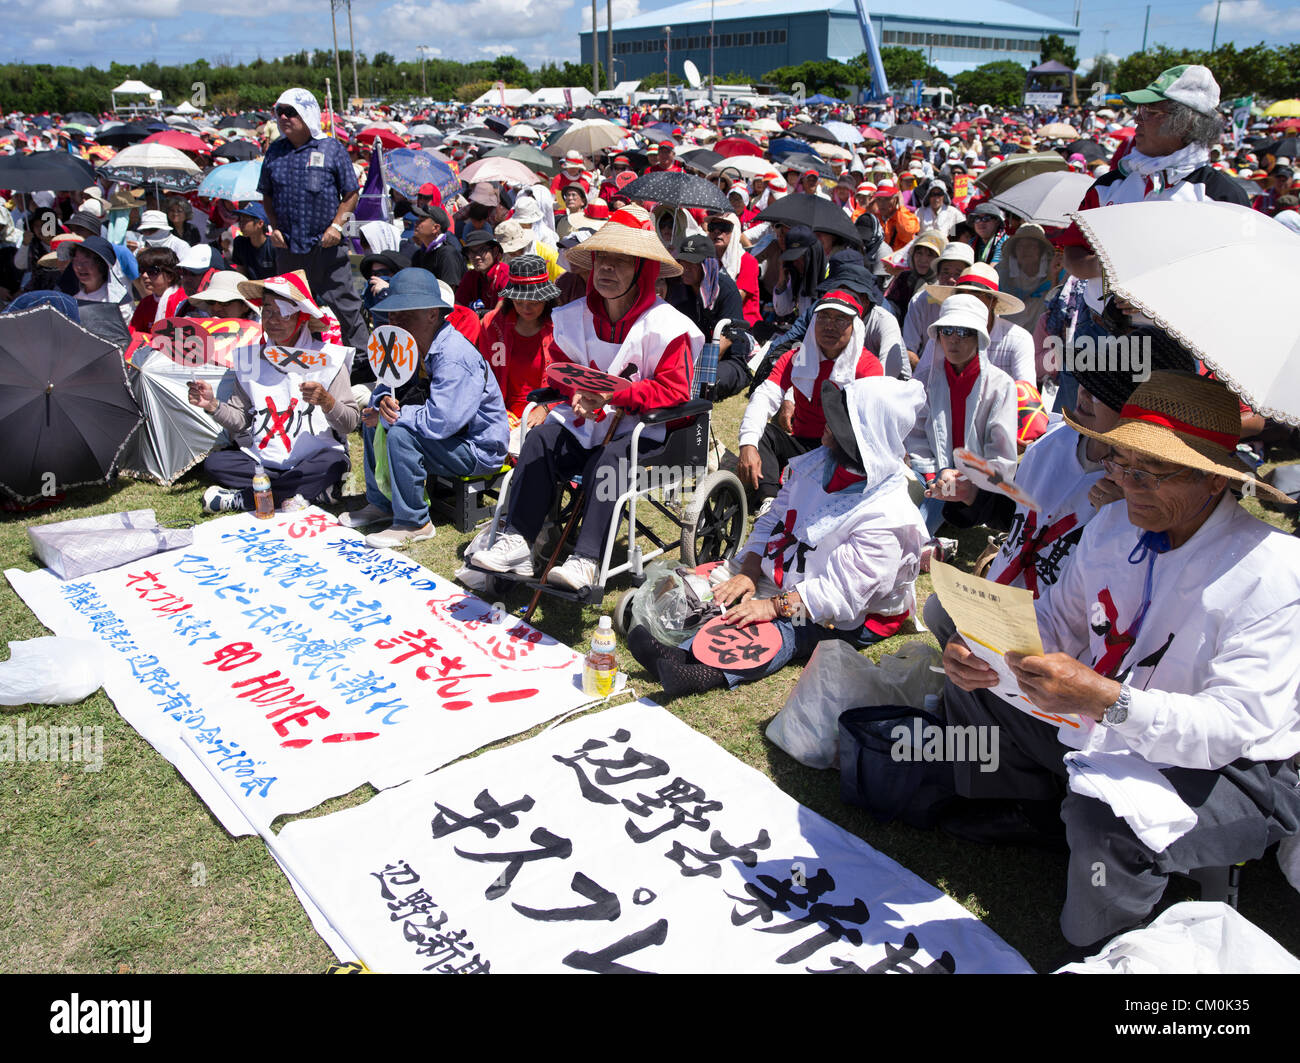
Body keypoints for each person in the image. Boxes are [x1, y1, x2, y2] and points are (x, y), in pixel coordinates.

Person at [937, 372, 1300, 953]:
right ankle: (1028, 815)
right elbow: (1058, 619)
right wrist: (981, 646)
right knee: (971, 687)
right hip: (1107, 718)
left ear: (1211, 479)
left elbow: (1231, 726)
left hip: (1234, 769)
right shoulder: (1111, 526)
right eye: (1120, 463)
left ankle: (1104, 948)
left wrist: (1106, 699)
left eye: (1149, 473)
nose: (1127, 485)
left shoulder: (1273, 572)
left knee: (1108, 823)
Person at [627, 377, 928, 699]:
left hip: (851, 616)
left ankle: (700, 673)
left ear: (863, 438)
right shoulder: (820, 463)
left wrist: (772, 606)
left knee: (785, 627)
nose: (826, 423)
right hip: (790, 579)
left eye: (839, 422)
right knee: (720, 587)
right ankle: (680, 653)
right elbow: (774, 519)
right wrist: (749, 571)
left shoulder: (889, 517)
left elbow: (840, 595)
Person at [470, 205, 700, 592]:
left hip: (645, 430)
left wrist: (616, 394)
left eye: (621, 262)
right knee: (540, 437)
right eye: (601, 260)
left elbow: (674, 390)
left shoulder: (669, 326)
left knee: (610, 458)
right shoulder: (572, 315)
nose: (607, 269)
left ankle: (586, 559)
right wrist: (576, 390)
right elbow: (558, 369)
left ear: (642, 269)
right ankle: (519, 541)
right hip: (585, 421)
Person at [337, 269, 510, 546]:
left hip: (477, 447)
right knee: (375, 420)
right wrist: (378, 405)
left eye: (405, 312)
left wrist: (395, 415)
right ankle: (382, 503)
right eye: (391, 313)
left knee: (399, 431)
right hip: (448, 439)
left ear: (432, 313)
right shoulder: (406, 344)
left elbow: (441, 421)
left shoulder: (453, 355)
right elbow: (386, 386)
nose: (395, 319)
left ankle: (415, 522)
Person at [188, 270, 360, 513]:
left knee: (333, 464)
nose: (273, 319)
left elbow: (349, 424)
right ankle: (308, 492)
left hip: (314, 459)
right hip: (263, 461)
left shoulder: (329, 359)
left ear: (301, 317)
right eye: (267, 311)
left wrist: (327, 402)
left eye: (282, 312)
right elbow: (239, 420)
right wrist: (212, 405)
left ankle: (243, 499)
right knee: (216, 463)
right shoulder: (250, 359)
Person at [738, 289, 884, 514]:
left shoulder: (868, 366)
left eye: (840, 319)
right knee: (763, 436)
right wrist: (748, 444)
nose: (829, 326)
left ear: (854, 326)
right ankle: (768, 500)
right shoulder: (798, 357)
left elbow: (872, 427)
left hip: (842, 451)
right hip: (804, 443)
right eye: (824, 317)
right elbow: (764, 396)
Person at [257, 88, 368, 351]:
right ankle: (290, 357)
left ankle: (367, 365)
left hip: (326, 248)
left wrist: (337, 226)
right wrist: (274, 227)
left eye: (290, 112)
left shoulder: (331, 148)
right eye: (279, 112)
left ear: (307, 114)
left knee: (348, 309)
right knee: (288, 310)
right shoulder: (274, 151)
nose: (283, 117)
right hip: (288, 249)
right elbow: (267, 196)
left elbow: (351, 192)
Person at [906, 293, 1019, 535]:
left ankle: (915, 542)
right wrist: (931, 472)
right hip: (931, 471)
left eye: (963, 332)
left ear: (979, 337)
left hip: (979, 482)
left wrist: (960, 475)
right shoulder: (925, 380)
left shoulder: (1001, 385)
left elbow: (1001, 455)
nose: (953, 340)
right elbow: (916, 436)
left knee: (929, 508)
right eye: (947, 331)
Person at [1082, 65, 1250, 209]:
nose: (1137, 119)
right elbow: (1075, 243)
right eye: (1140, 109)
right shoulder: (1108, 185)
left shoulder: (1224, 198)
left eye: (1149, 111)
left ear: (1186, 123)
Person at [476, 254, 559, 448]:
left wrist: (546, 408)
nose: (526, 308)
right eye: (519, 301)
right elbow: (484, 376)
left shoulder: (561, 326)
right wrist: (498, 413)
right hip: (501, 411)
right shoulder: (492, 324)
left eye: (534, 301)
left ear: (546, 299)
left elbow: (570, 381)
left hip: (549, 412)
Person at [913, 263, 1036, 386]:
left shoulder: (1018, 339)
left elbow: (1026, 392)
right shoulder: (942, 334)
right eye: (961, 294)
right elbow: (920, 383)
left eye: (976, 295)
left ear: (993, 302)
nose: (967, 300)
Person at [666, 234, 753, 400]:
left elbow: (726, 339)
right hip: (688, 358)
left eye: (692, 263)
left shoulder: (726, 290)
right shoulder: (678, 287)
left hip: (725, 359)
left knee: (704, 386)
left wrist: (694, 369)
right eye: (682, 261)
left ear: (707, 265)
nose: (685, 267)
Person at [902, 241, 974, 366]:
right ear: (938, 274)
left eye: (958, 274)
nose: (951, 279)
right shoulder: (920, 301)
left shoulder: (977, 305)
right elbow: (908, 349)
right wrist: (924, 374)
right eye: (946, 272)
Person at [884, 228, 946, 322]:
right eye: (919, 253)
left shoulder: (942, 284)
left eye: (930, 255)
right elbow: (892, 304)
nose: (923, 260)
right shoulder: (904, 278)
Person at [406, 204, 466, 289]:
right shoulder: (418, 255)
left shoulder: (448, 254)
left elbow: (449, 292)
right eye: (417, 219)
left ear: (435, 228)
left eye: (421, 220)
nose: (416, 223)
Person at [129, 247, 187, 332]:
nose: (144, 275)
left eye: (152, 271)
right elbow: (134, 334)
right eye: (141, 270)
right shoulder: (145, 304)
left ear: (170, 275)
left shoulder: (184, 301)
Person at [456, 229, 508, 314]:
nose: (476, 257)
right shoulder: (470, 276)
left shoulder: (505, 273)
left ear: (494, 251)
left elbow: (500, 311)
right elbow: (458, 306)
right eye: (471, 252)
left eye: (482, 250)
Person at [229, 203, 278, 280]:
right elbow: (240, 274)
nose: (241, 224)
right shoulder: (239, 243)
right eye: (240, 220)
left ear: (260, 223)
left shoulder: (274, 247)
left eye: (245, 220)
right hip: (249, 288)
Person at [187, 270, 259, 320]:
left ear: (245, 307)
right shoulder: (198, 330)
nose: (216, 308)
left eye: (224, 303)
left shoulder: (263, 338)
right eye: (211, 301)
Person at [871, 183, 920, 252]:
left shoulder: (907, 217)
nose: (882, 203)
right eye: (879, 199)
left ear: (896, 199)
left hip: (898, 260)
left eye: (887, 199)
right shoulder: (874, 218)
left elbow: (907, 232)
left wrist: (901, 206)